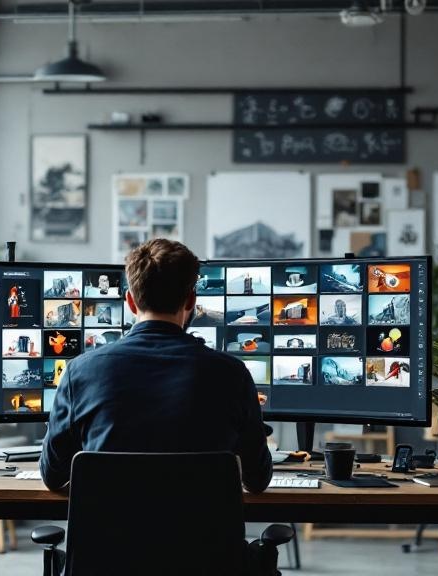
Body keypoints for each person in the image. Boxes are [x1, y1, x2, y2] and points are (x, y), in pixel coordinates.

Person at [40, 239, 277, 573]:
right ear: (191, 302)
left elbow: (52, 476)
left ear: (130, 301)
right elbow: (257, 480)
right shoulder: (231, 374)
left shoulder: (81, 371)